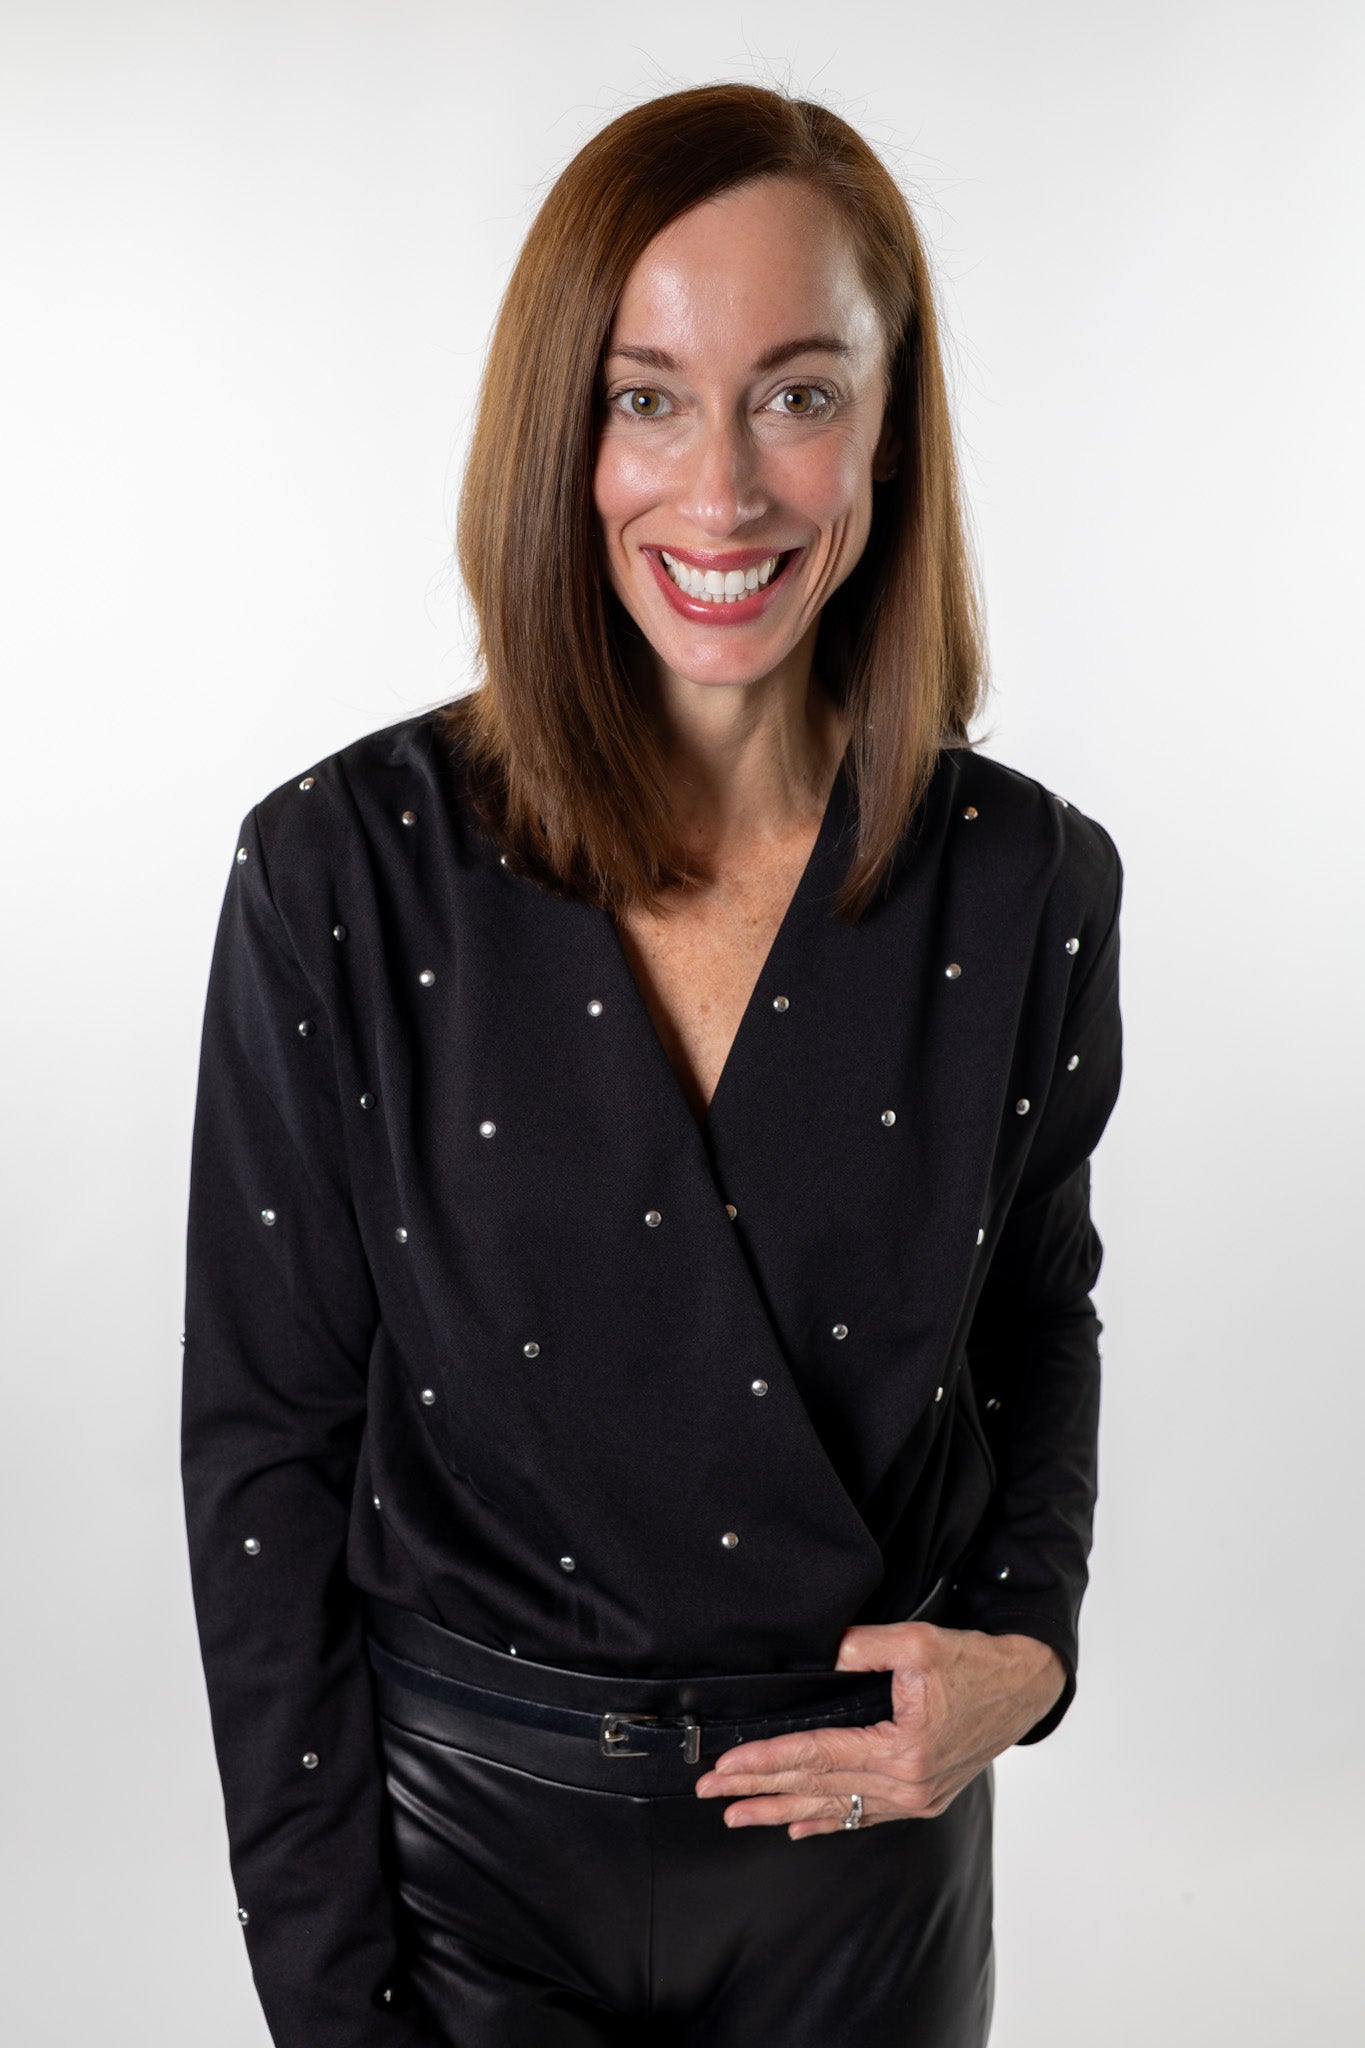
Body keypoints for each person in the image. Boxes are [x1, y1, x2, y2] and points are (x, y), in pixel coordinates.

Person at [182, 82, 1123, 2048]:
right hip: (461, 1861)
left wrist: (1027, 1641)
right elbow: (266, 1464)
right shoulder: (336, 870)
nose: (722, 492)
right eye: (645, 398)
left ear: (889, 421)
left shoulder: (1029, 880)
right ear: (559, 431)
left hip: (863, 1857)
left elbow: (1035, 1312)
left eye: (796, 392)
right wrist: (331, 1997)